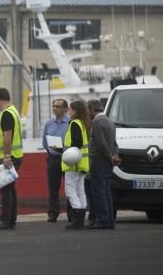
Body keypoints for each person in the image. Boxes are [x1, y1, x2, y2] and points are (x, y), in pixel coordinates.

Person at [0, 87, 24, 230]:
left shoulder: (6, 114)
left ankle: (5, 220)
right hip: (16, 155)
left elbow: (7, 136)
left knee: (5, 189)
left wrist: (6, 156)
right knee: (10, 189)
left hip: (9, 157)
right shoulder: (14, 111)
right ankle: (11, 220)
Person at [87, 99, 121, 229]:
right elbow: (114, 144)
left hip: (98, 161)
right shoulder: (109, 122)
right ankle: (109, 220)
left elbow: (101, 143)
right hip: (107, 163)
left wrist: (109, 157)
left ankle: (103, 221)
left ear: (92, 109)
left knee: (98, 192)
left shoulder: (97, 122)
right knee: (107, 192)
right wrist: (114, 156)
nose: (87, 113)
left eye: (88, 110)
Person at [62, 99, 91, 230]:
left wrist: (65, 152)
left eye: (70, 109)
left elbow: (76, 144)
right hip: (82, 163)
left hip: (73, 163)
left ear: (75, 111)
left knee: (70, 190)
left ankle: (77, 219)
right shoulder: (83, 124)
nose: (68, 111)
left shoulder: (74, 124)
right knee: (80, 191)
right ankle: (81, 219)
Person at [42, 98, 71, 222]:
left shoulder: (71, 123)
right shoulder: (48, 124)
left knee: (70, 187)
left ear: (65, 109)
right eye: (54, 106)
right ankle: (53, 213)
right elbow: (44, 142)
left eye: (58, 106)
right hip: (54, 158)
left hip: (68, 158)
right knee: (53, 188)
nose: (55, 108)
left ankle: (72, 214)